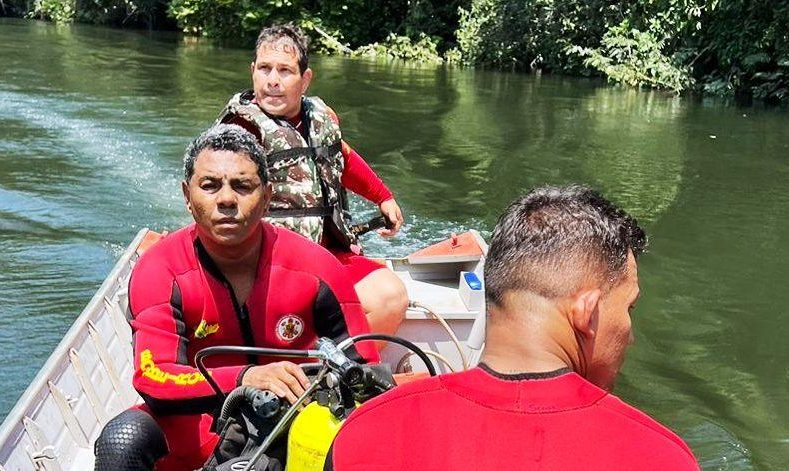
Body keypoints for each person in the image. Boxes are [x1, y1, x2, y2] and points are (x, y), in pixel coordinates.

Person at [328, 185, 700, 470]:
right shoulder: (660, 456)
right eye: (629, 307)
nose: (631, 334)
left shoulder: (364, 434)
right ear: (588, 314)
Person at [93, 124, 378, 471]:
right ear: (187, 195)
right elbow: (153, 379)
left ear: (268, 196)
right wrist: (243, 378)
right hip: (197, 427)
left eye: (242, 186)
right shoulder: (160, 269)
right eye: (210, 185)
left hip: (297, 422)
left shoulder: (318, 267)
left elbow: (365, 369)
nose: (226, 199)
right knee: (122, 439)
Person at [215, 24, 407, 336]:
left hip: (327, 254)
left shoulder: (321, 117)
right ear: (252, 72)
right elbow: (215, 198)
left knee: (390, 295)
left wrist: (382, 196)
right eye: (264, 68)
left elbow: (341, 157)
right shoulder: (240, 131)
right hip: (266, 263)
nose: (273, 80)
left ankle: (331, 374)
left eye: (285, 71)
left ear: (305, 79)